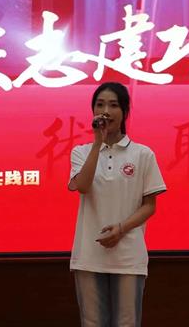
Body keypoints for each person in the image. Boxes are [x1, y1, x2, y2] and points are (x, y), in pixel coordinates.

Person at [68, 82, 167, 327]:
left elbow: (149, 205)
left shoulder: (143, 154)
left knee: (127, 323)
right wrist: (97, 143)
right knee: (92, 322)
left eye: (113, 105)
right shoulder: (81, 152)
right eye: (100, 105)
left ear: (124, 112)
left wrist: (121, 229)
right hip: (89, 254)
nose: (106, 111)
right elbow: (83, 186)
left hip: (128, 255)